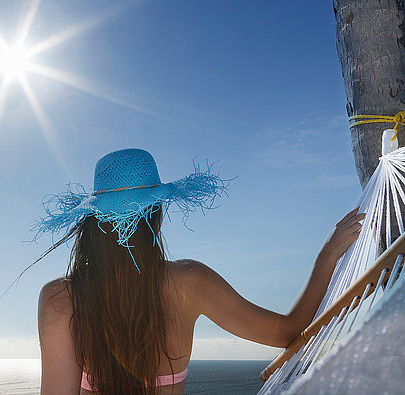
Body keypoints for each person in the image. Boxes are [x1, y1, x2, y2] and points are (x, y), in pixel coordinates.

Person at [34, 148, 363, 394]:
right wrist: (328, 256)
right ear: (157, 214)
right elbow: (289, 331)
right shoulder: (190, 282)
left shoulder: (60, 299)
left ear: (94, 222)